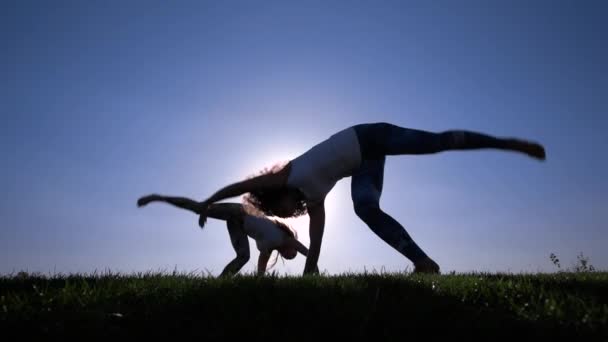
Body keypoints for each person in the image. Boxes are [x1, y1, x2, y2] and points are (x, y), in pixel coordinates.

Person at [194, 122, 546, 275]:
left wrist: (210, 198)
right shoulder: (314, 200)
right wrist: (311, 266)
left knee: (435, 143)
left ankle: (508, 144)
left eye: (278, 208)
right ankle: (424, 263)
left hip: (369, 135)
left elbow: (242, 183)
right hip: (365, 164)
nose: (286, 214)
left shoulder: (286, 175)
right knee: (364, 207)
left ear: (277, 195)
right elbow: (316, 239)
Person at [137, 195, 313, 276]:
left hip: (237, 225)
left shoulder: (267, 249)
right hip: (241, 212)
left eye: (289, 258)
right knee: (200, 208)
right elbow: (308, 252)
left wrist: (261, 280)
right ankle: (158, 198)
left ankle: (221, 282)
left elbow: (261, 268)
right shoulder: (286, 238)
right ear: (291, 247)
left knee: (243, 256)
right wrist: (314, 269)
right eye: (293, 254)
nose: (290, 256)